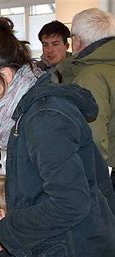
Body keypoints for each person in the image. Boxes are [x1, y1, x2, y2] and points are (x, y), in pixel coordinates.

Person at [0, 17, 114, 257]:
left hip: (71, 250)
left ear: (5, 75)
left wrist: (8, 228)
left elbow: (70, 202)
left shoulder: (44, 118)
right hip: (54, 243)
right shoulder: (24, 113)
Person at [56, 8, 115, 189]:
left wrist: (87, 183)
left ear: (77, 41)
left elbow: (93, 137)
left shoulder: (91, 76)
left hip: (105, 176)